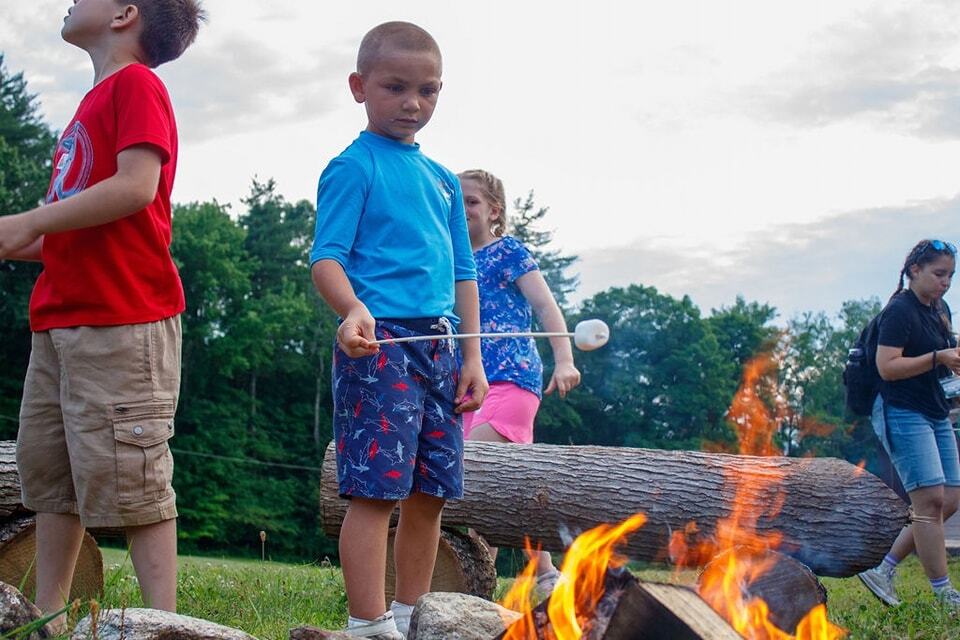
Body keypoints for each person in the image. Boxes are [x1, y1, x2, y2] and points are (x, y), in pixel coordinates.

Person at [0, 0, 204, 630]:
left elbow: (135, 186)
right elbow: (60, 234)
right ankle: (49, 616)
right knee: (51, 481)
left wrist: (27, 220)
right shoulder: (85, 110)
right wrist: (20, 235)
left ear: (124, 13)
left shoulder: (137, 85)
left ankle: (162, 624)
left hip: (123, 321)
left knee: (138, 481)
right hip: (59, 324)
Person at [310, 22, 488, 639]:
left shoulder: (443, 180)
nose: (414, 103)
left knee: (432, 491)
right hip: (380, 347)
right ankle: (368, 623)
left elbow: (464, 274)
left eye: (429, 91)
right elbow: (326, 258)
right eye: (396, 87)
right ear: (359, 87)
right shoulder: (352, 168)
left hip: (441, 349)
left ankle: (416, 615)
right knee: (376, 493)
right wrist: (352, 309)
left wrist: (473, 358)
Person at [457, 169, 581, 594]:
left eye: (472, 201)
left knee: (473, 470)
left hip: (512, 380)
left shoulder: (508, 251)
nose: (463, 208)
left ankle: (477, 585)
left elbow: (546, 307)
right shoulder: (449, 257)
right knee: (510, 487)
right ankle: (544, 574)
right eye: (457, 201)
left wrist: (564, 360)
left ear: (494, 210)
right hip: (465, 387)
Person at [857, 239, 960, 610]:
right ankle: (945, 594)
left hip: (934, 409)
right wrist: (938, 357)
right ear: (914, 270)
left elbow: (942, 354)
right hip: (900, 410)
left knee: (949, 498)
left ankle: (883, 568)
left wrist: (951, 358)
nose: (945, 282)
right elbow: (888, 366)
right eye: (938, 274)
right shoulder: (900, 310)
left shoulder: (940, 309)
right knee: (929, 500)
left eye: (950, 275)